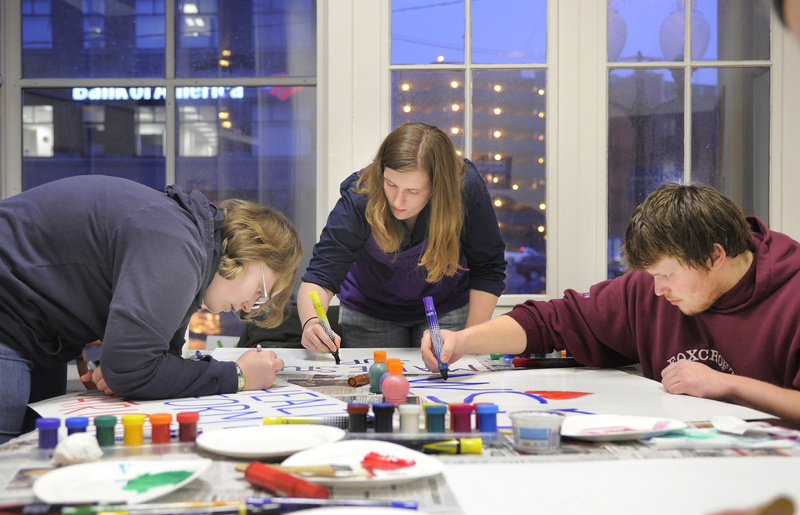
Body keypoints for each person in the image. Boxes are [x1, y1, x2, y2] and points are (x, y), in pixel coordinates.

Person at [422, 183, 800, 425]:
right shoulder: (649, 289)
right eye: (651, 276)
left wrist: (727, 386)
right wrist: (464, 341)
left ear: (716, 256)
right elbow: (554, 320)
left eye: (667, 276)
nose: (657, 291)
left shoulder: (792, 293)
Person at [0, 175, 302, 444]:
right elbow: (132, 370)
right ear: (250, 249)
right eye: (260, 291)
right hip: (10, 314)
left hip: (39, 332)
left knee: (38, 450)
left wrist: (129, 367)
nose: (248, 308)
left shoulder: (190, 248)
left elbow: (150, 361)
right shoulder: (177, 246)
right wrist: (236, 375)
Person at [299, 122, 506, 350]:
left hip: (447, 305)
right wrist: (310, 323)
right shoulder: (361, 196)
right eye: (391, 184)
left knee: (447, 379)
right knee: (375, 383)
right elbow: (321, 273)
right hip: (370, 309)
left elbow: (488, 267)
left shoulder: (465, 189)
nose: (397, 201)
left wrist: (468, 341)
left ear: (439, 187)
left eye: (414, 191)